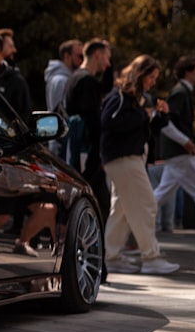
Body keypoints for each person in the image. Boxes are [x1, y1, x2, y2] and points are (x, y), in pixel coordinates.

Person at [100, 54, 179, 275]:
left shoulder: (133, 98)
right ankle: (151, 257)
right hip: (124, 158)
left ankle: (111, 257)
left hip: (125, 158)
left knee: (123, 210)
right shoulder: (122, 95)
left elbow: (145, 127)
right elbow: (109, 121)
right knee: (146, 204)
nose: (153, 82)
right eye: (151, 77)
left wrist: (160, 116)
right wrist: (144, 115)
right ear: (141, 74)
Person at [153, 55, 195, 233]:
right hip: (181, 151)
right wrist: (186, 142)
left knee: (161, 194)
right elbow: (167, 122)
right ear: (188, 72)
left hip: (177, 152)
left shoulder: (182, 91)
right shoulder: (180, 92)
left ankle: (130, 220)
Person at [64, 38, 113, 215]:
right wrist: (99, 154)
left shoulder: (74, 78)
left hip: (78, 148)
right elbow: (94, 121)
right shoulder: (87, 82)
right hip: (88, 150)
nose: (108, 64)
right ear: (97, 55)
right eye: (107, 58)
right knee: (98, 202)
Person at [44, 38, 84, 157]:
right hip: (60, 144)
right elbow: (57, 113)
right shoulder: (61, 81)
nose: (82, 60)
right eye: (79, 56)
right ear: (67, 56)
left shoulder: (64, 78)